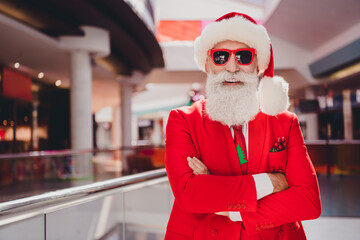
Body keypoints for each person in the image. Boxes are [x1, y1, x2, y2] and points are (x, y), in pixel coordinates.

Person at [164, 12, 321, 240]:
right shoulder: (182, 120)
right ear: (207, 64)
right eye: (220, 57)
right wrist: (273, 181)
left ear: (258, 65)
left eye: (243, 57)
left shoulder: (285, 122)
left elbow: (308, 201)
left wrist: (225, 202)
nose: (232, 67)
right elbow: (190, 195)